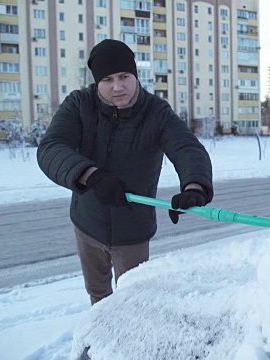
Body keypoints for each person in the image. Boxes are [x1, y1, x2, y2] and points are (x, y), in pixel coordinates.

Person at [37, 39, 213, 305]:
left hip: (133, 231)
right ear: (97, 82)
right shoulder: (79, 104)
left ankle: (130, 345)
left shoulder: (156, 112)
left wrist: (194, 186)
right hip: (87, 223)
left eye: (124, 76)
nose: (117, 86)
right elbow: (51, 148)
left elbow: (186, 148)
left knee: (132, 301)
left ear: (135, 75)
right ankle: (99, 344)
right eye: (107, 79)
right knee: (98, 295)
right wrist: (90, 175)